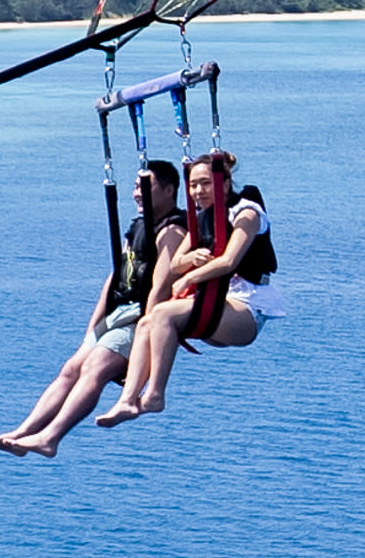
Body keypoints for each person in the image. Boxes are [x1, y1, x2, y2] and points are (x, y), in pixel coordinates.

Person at [0, 161, 176, 456]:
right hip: (118, 312)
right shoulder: (139, 226)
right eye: (136, 187)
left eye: (144, 188)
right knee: (70, 369)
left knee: (94, 368)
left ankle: (51, 437)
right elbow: (116, 276)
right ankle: (24, 432)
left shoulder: (172, 230)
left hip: (138, 317)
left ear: (169, 190)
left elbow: (161, 287)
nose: (137, 194)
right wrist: (93, 327)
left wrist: (144, 334)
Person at [99, 146, 271, 424]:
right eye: (193, 185)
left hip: (247, 306)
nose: (199, 191)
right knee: (147, 321)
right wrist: (189, 259)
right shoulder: (202, 218)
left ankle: (154, 395)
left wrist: (189, 277)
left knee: (164, 314)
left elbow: (228, 261)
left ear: (224, 183)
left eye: (206, 183)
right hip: (213, 303)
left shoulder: (246, 213)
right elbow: (178, 262)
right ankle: (127, 401)